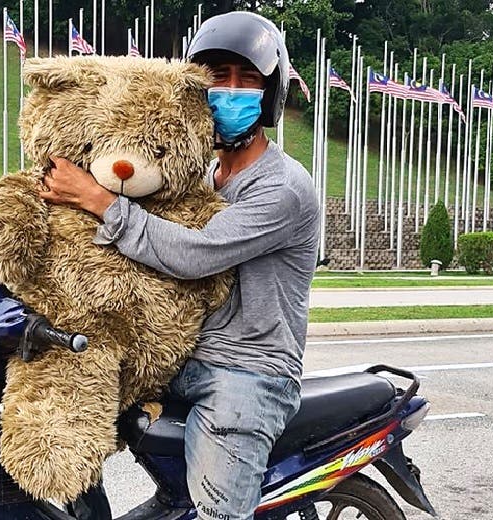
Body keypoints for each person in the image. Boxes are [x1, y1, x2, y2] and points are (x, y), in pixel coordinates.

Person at [39, 11, 320, 520]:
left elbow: (194, 253)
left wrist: (100, 201)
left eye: (247, 79)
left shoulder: (283, 188)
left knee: (218, 515)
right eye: (217, 77)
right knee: (70, 403)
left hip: (247, 371)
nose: (230, 90)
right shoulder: (200, 175)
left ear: (271, 93)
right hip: (183, 356)